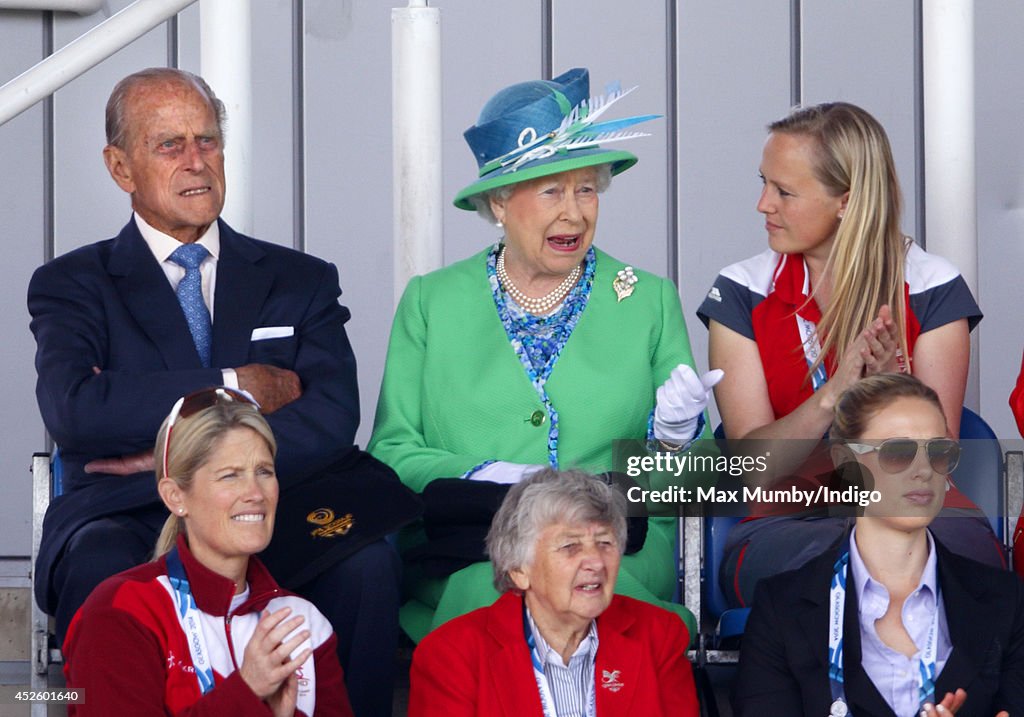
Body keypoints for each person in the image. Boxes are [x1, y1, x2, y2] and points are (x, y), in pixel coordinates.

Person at [28, 67, 400, 716]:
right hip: (131, 508)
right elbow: (77, 411)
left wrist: (193, 460)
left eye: (208, 140)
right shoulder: (75, 283)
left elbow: (332, 416)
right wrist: (234, 385)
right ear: (121, 167)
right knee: (101, 575)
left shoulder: (298, 279)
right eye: (169, 145)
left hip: (269, 502)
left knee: (365, 563)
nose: (197, 161)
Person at [368, 67, 718, 642]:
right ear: (499, 202)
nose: (575, 213)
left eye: (587, 188)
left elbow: (690, 470)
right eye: (552, 190)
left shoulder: (647, 298)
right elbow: (393, 449)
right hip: (475, 545)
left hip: (614, 548)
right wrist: (488, 475)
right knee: (481, 597)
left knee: (607, 595)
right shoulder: (432, 301)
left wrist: (674, 439)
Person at [695, 101, 1000, 607]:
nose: (762, 204)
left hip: (917, 514)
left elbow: (933, 467)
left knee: (955, 569)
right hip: (788, 523)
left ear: (846, 201)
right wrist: (833, 396)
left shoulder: (931, 285)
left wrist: (893, 399)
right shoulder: (741, 289)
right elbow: (754, 471)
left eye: (784, 191)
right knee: (849, 564)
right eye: (764, 183)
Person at [734, 373, 1024, 717]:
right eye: (897, 452)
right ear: (846, 462)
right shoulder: (782, 608)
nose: (923, 470)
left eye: (939, 451)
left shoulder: (1007, 601)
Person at [63, 388, 353, 716]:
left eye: (264, 472)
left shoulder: (302, 622)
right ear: (175, 497)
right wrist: (247, 691)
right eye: (230, 476)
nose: (255, 493)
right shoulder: (122, 609)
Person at [409, 468, 699, 717]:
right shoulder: (450, 655)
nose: (596, 562)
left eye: (605, 543)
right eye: (570, 546)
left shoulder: (659, 636)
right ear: (519, 570)